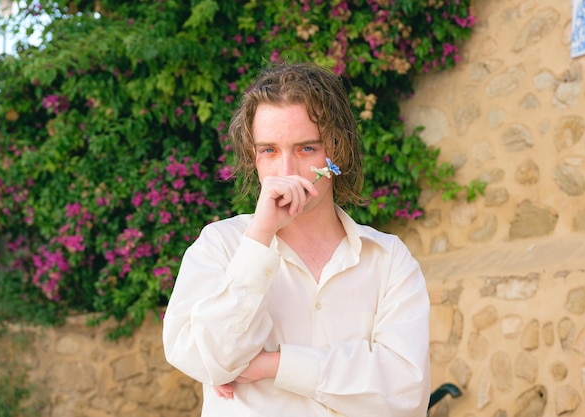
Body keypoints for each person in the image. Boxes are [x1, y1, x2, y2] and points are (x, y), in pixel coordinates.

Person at [162, 62, 431, 417]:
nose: (286, 173)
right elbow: (209, 359)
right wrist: (259, 238)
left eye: (306, 149)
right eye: (269, 150)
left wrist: (275, 365)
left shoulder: (387, 258)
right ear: (253, 157)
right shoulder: (219, 246)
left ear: (338, 151)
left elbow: (405, 390)